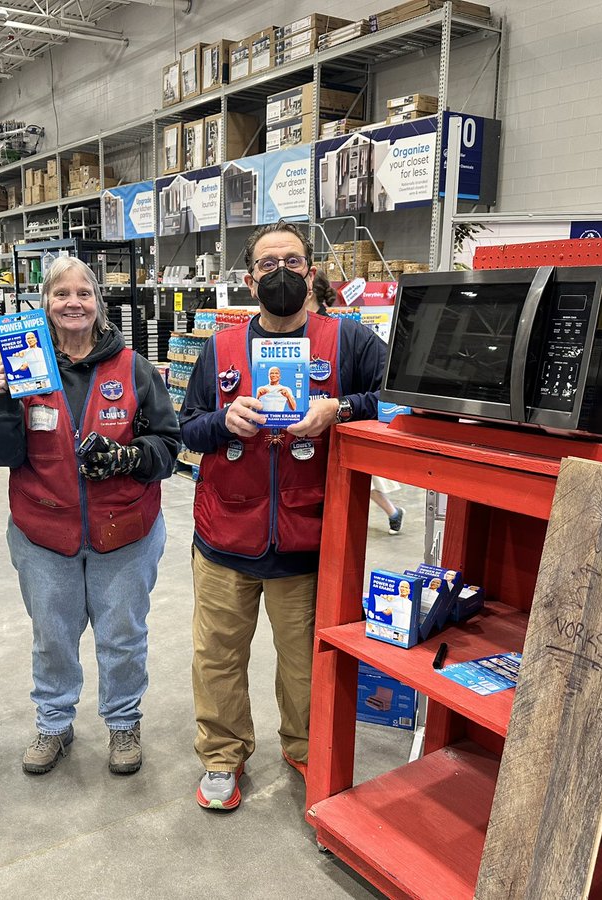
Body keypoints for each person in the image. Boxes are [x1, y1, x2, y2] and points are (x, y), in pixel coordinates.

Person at [180, 221, 387, 811]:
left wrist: (340, 409)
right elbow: (186, 425)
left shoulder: (350, 343)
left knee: (304, 664)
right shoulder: (220, 348)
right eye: (267, 265)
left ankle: (304, 746)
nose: (280, 274)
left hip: (308, 536)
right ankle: (222, 757)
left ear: (312, 271)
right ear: (249, 279)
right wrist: (224, 422)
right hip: (226, 534)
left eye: (291, 262)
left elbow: (400, 397)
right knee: (217, 657)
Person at [0, 256, 179, 779]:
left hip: (126, 531)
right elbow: (1, 454)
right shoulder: (24, 367)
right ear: (44, 303)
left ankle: (123, 723)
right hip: (44, 532)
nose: (73, 303)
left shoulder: (133, 367)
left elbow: (169, 445)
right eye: (61, 294)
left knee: (123, 635)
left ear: (98, 303)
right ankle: (53, 723)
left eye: (84, 293)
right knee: (52, 635)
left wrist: (130, 457)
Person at [305, 271, 404, 532]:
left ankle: (394, 512)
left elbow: (396, 386)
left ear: (309, 287)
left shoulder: (347, 335)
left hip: (338, 458)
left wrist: (342, 406)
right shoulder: (262, 338)